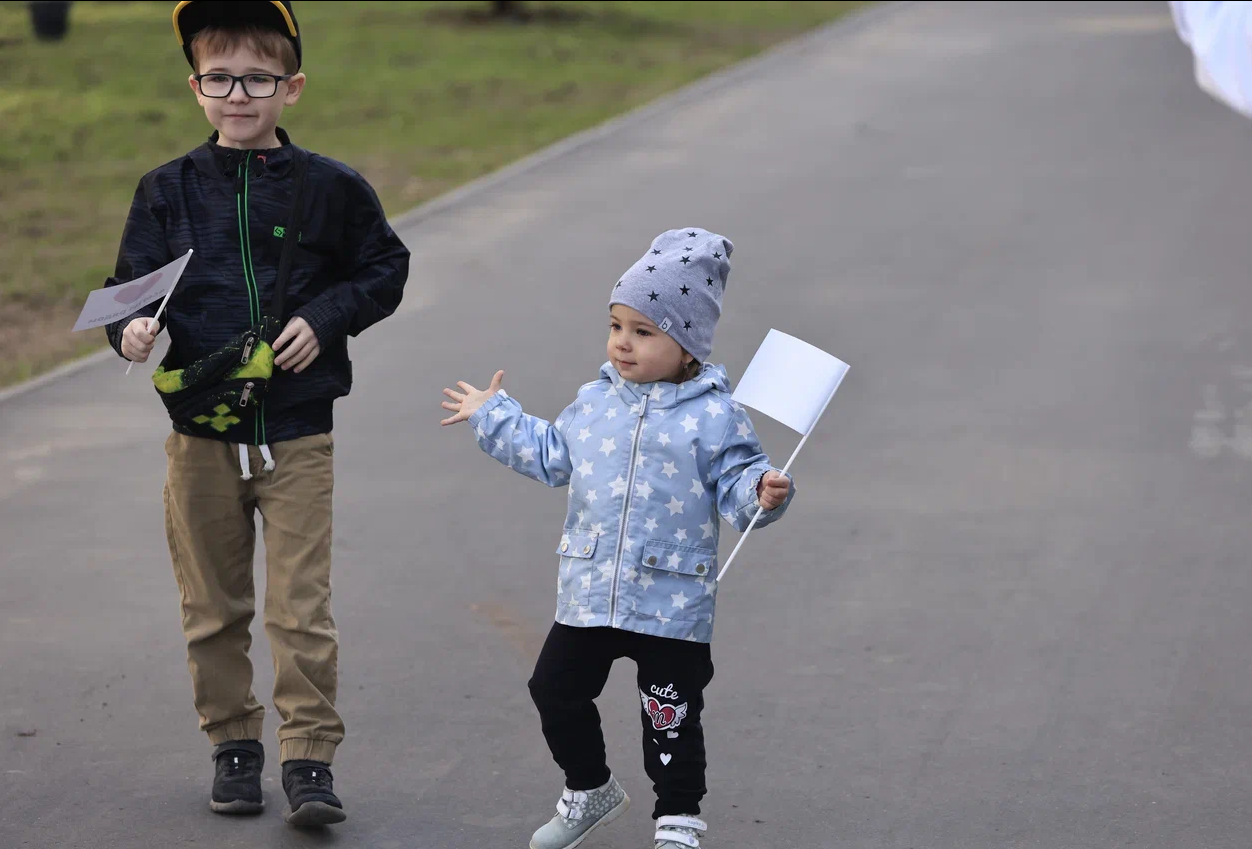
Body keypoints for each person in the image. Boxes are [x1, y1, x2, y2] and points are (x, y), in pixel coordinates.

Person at [103, 0, 409, 827]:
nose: (238, 94)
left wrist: (331, 314)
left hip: (298, 430)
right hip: (199, 436)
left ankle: (309, 756)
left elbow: (385, 266)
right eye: (219, 77)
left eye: (258, 78)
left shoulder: (333, 188)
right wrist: (129, 332)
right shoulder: (165, 190)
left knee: (299, 605)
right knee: (212, 604)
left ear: (292, 85)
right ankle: (233, 744)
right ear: (195, 85)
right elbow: (129, 293)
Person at [440, 228, 795, 849]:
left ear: (687, 345)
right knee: (553, 689)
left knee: (670, 714)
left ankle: (678, 819)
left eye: (643, 331)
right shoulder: (595, 401)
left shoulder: (716, 416)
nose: (622, 343)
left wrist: (761, 494)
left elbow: (740, 484)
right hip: (591, 588)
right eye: (616, 325)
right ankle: (590, 790)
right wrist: (494, 415)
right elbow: (553, 455)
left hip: (672, 599)